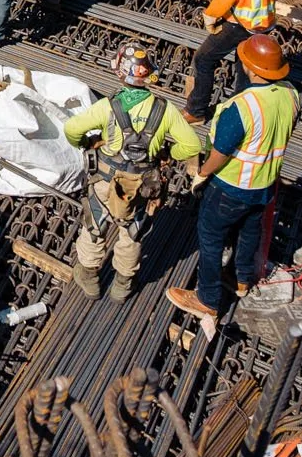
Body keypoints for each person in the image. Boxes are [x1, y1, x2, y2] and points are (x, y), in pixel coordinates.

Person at [168, 33, 300, 341]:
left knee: (211, 238)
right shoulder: (292, 94)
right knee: (249, 229)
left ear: (251, 69)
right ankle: (241, 279)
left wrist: (202, 173)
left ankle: (207, 299)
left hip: (230, 186)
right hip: (266, 184)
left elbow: (221, 152)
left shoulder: (242, 106)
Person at [63, 46, 204, 299]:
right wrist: (168, 153)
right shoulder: (165, 109)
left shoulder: (107, 106)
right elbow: (192, 146)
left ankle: (90, 278)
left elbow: (72, 129)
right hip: (141, 184)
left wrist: (85, 144)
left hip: (105, 179)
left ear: (120, 73)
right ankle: (123, 284)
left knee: (95, 224)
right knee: (132, 232)